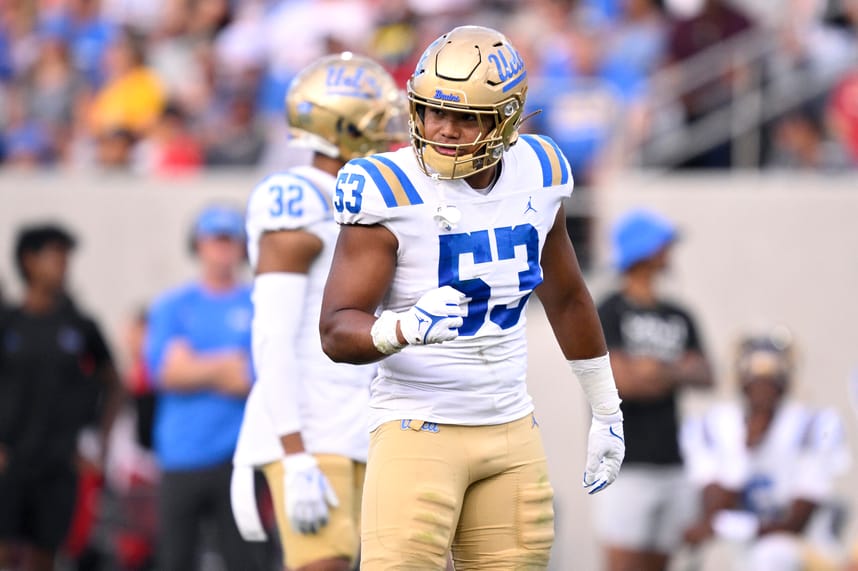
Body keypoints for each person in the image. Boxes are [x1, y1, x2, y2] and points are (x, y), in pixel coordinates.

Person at [318, 25, 626, 569]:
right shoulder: (386, 185)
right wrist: (403, 328)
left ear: (506, 118)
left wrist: (606, 407)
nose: (443, 129)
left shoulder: (540, 170)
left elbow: (568, 297)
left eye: (465, 117)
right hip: (417, 428)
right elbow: (336, 329)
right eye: (433, 111)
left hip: (511, 430)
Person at [229, 52, 407, 571]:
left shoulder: (372, 195)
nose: (390, 132)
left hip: (369, 419)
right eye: (377, 121)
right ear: (342, 125)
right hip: (313, 425)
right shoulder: (297, 197)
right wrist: (294, 452)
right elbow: (272, 336)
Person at [143, 205, 269, 571]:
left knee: (246, 560)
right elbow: (165, 374)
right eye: (214, 240)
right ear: (198, 245)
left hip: (240, 457)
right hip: (180, 454)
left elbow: (254, 379)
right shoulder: (173, 304)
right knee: (175, 559)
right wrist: (225, 363)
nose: (222, 249)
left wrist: (194, 364)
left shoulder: (257, 302)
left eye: (230, 240)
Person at [593, 208, 714, 571]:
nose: (669, 252)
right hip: (623, 464)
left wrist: (654, 368)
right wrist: (677, 369)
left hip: (671, 463)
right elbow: (621, 382)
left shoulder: (680, 314)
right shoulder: (609, 310)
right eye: (663, 245)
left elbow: (707, 374)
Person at [0, 223, 122, 571]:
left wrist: (100, 441)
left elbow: (114, 382)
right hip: (10, 460)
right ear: (29, 261)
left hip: (58, 462)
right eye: (54, 256)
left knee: (45, 555)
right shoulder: (7, 323)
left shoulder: (80, 325)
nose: (63, 265)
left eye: (66, 257)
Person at [681, 330, 850, 571]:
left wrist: (732, 527)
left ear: (785, 382)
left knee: (772, 555)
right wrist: (745, 448)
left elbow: (796, 522)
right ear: (740, 380)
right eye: (755, 382)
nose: (762, 391)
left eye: (770, 383)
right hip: (741, 548)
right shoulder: (715, 424)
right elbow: (713, 507)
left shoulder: (814, 425)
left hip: (804, 548)